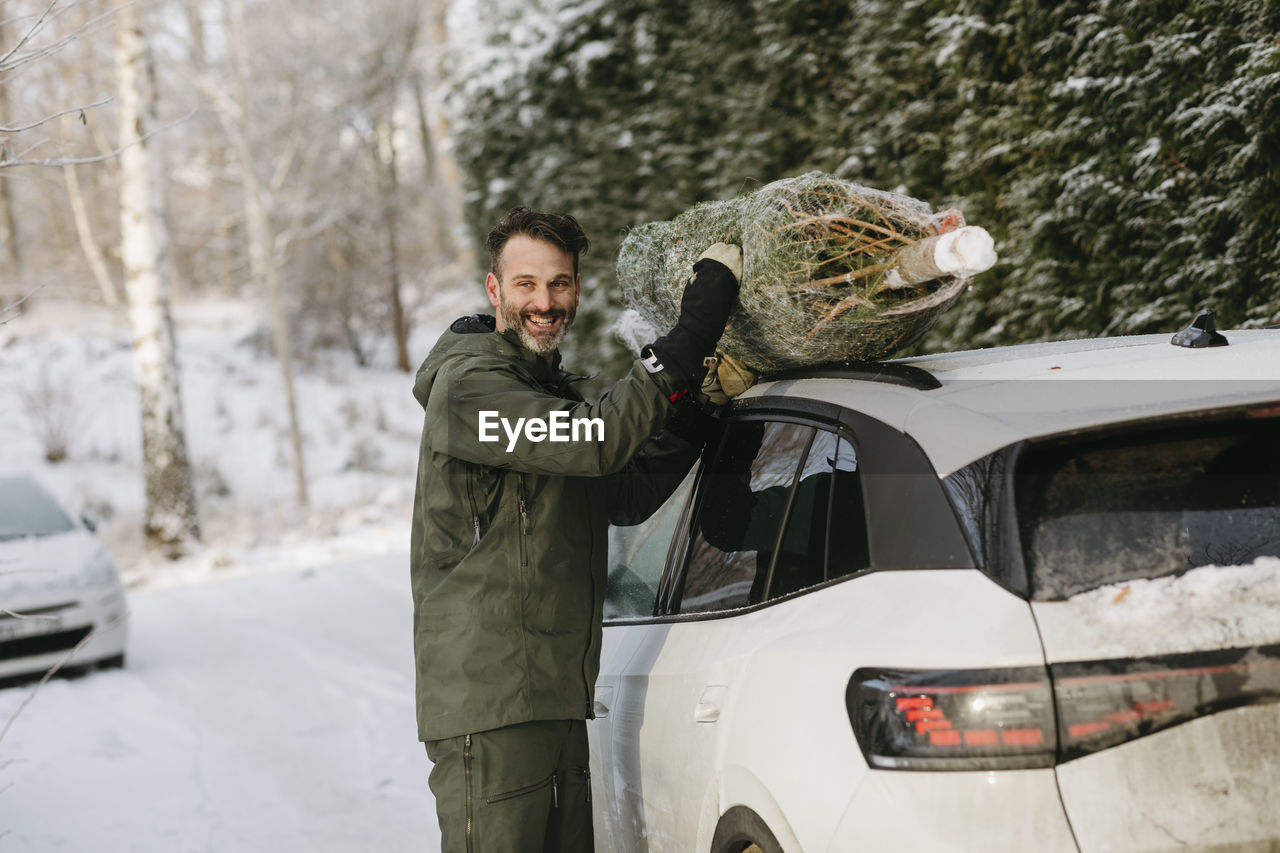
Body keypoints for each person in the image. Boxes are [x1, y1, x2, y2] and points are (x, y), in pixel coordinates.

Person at [409, 205, 742, 852]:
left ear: (576, 290)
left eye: (559, 283)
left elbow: (623, 489)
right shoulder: (472, 388)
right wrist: (687, 338)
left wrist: (697, 412)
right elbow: (597, 439)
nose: (545, 301)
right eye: (527, 284)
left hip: (556, 695)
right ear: (494, 289)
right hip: (494, 704)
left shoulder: (543, 392)